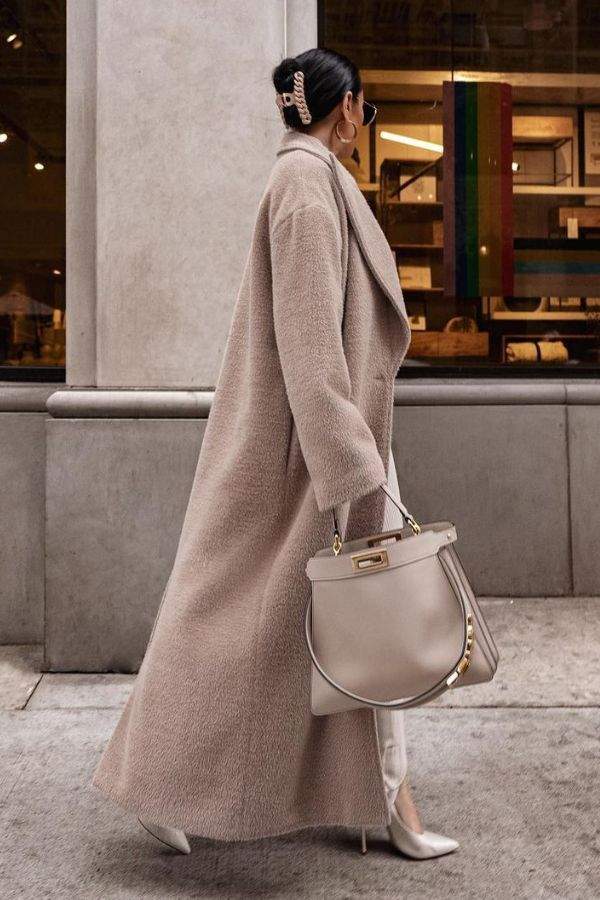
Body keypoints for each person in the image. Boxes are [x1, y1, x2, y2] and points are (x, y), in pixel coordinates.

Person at [92, 47, 458, 861]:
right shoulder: (304, 185)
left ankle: (391, 799)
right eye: (363, 107)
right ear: (347, 109)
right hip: (318, 449)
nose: (364, 122)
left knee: (353, 621)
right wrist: (352, 467)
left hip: (336, 440)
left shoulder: (314, 178)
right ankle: (171, 776)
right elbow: (307, 343)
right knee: (277, 623)